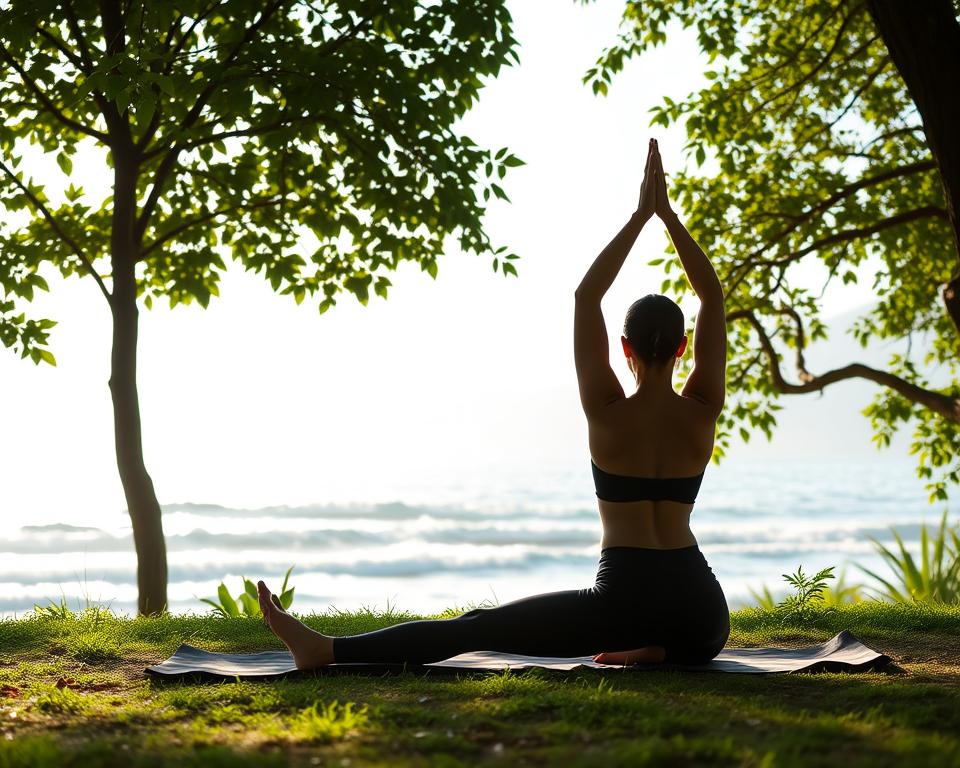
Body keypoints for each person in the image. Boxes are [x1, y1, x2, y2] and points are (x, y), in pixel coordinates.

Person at [257, 137, 730, 668]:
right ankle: (658, 651)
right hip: (700, 610)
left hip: (621, 601)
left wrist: (642, 215)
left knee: (478, 627)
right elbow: (711, 295)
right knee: (705, 635)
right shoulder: (703, 407)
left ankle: (325, 650)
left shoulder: (606, 409)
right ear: (684, 347)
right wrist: (668, 217)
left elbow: (586, 297)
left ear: (624, 350)